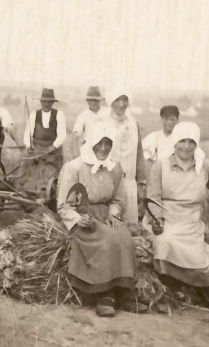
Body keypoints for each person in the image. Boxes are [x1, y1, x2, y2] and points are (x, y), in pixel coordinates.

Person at [57, 121, 143, 317]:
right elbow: (63, 205)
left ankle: (123, 291)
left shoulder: (114, 167)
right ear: (91, 143)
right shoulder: (75, 167)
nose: (103, 148)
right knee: (107, 240)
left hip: (105, 216)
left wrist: (113, 214)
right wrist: (78, 219)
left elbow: (118, 199)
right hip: (84, 217)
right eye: (99, 143)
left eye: (108, 143)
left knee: (124, 238)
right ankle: (104, 293)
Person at [146, 122, 209, 312]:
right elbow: (152, 197)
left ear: (197, 144)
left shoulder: (207, 166)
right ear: (175, 142)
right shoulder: (161, 165)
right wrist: (157, 218)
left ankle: (206, 292)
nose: (186, 146)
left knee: (195, 249)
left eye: (191, 142)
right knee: (165, 242)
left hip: (191, 220)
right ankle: (170, 290)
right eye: (182, 141)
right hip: (167, 218)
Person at [102, 89, 146, 223]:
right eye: (117, 100)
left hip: (129, 182)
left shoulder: (133, 124)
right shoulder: (102, 122)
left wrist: (140, 183)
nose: (121, 104)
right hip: (108, 182)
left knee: (129, 226)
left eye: (124, 100)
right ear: (111, 101)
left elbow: (139, 153)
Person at [15, 88, 66, 193]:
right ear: (41, 102)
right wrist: (29, 146)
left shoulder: (58, 115)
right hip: (36, 149)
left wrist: (54, 146)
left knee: (48, 170)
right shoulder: (34, 115)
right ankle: (17, 189)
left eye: (49, 102)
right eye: (44, 101)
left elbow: (62, 135)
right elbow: (27, 133)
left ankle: (43, 191)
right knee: (25, 165)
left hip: (51, 150)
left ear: (52, 102)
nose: (46, 104)